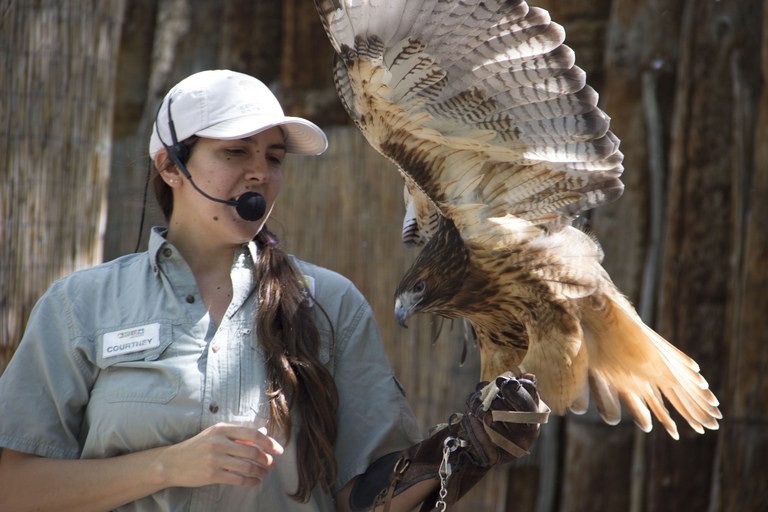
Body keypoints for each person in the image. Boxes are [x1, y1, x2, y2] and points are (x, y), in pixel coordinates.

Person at [0, 69, 545, 512]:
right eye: (236, 152)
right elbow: (13, 488)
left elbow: (365, 496)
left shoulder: (330, 305)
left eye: (274, 157)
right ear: (170, 167)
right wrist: (169, 466)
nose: (260, 172)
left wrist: (459, 452)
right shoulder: (81, 306)